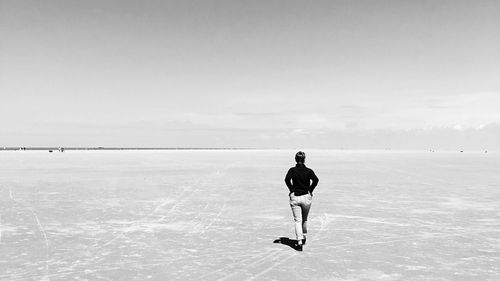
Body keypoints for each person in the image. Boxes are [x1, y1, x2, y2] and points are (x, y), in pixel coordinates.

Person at [284, 151, 319, 251]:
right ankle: (303, 236)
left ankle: (299, 241)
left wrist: (291, 190)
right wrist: (310, 190)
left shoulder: (292, 170)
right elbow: (316, 180)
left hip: (295, 197)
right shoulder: (309, 171)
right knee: (304, 218)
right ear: (304, 159)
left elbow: (287, 180)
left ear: (295, 159)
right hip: (306, 197)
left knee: (297, 220)